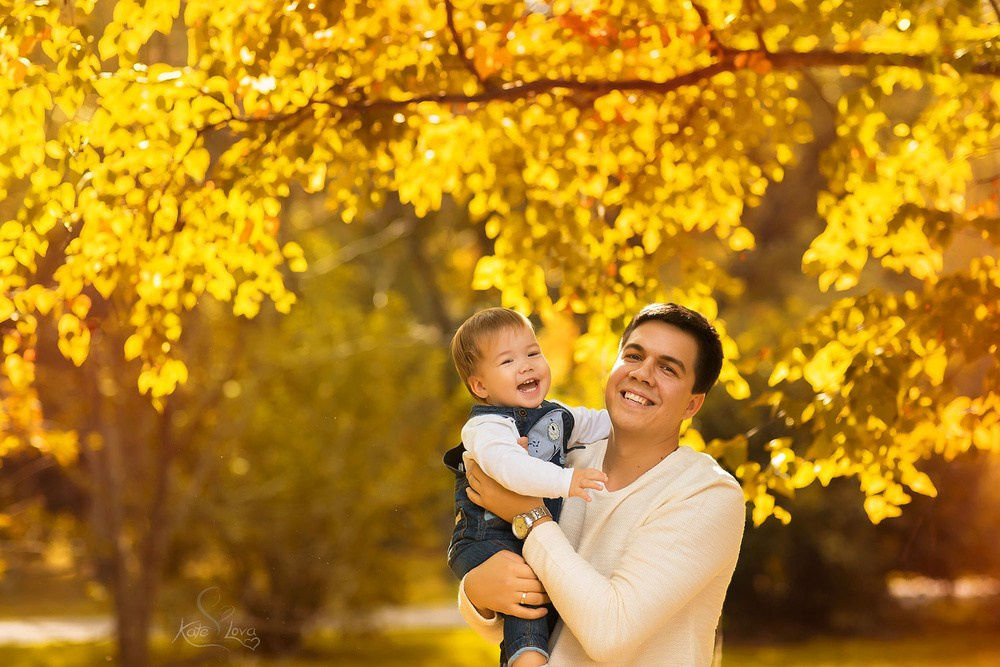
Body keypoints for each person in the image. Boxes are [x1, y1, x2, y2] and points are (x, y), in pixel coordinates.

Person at [459, 302, 747, 667]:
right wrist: (475, 593)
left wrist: (529, 516)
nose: (642, 374)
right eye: (633, 355)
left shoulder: (706, 494)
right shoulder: (562, 463)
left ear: (692, 404)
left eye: (667, 368)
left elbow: (611, 633)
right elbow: (519, 614)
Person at [444, 307, 612, 667]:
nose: (526, 365)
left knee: (539, 581)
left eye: (533, 353)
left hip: (522, 533)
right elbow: (512, 470)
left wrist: (637, 414)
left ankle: (529, 655)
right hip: (483, 536)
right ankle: (527, 660)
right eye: (507, 361)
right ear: (480, 386)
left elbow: (604, 423)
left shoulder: (557, 414)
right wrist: (565, 481)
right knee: (528, 583)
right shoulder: (486, 428)